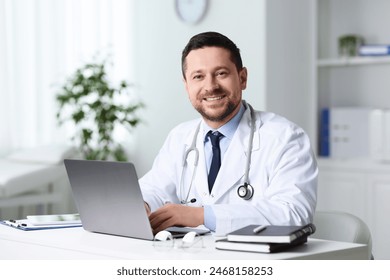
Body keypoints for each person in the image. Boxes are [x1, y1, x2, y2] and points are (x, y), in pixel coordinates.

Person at [140, 31, 318, 236]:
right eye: (198, 76)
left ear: (242, 78)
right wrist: (142, 204)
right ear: (186, 85)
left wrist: (202, 215)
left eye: (221, 73)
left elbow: (294, 213)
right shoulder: (180, 137)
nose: (211, 86)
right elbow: (154, 187)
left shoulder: (286, 138)